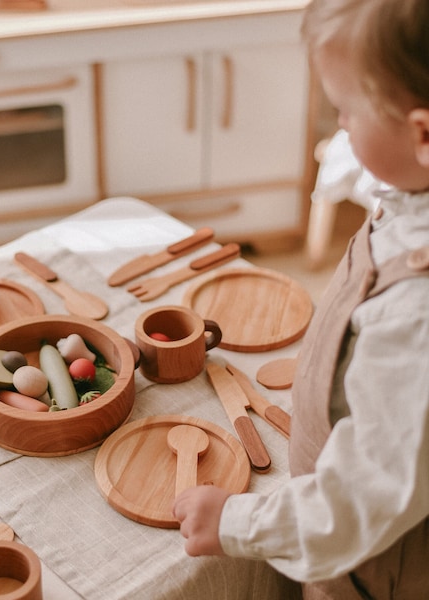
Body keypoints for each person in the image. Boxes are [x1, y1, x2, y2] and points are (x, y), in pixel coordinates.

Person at [172, 1, 429, 598]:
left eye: (345, 110)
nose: (338, 126)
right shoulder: (410, 197)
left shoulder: (415, 316)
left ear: (422, 133)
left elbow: (360, 503)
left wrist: (233, 522)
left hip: (372, 566)